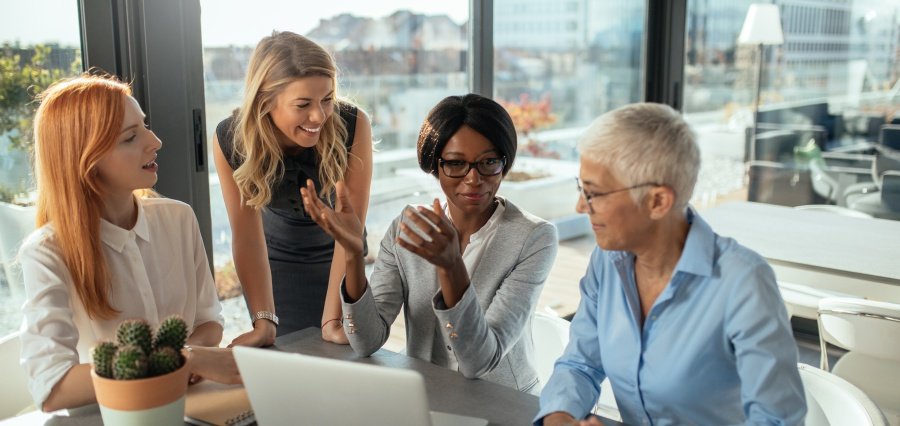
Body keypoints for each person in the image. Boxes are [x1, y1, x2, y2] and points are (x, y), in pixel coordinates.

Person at [535, 103, 806, 425]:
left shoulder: (743, 282)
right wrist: (559, 417)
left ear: (658, 201)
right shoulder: (608, 261)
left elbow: (776, 420)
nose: (580, 206)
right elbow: (581, 363)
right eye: (581, 188)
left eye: (593, 193)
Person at [301, 94, 558, 394]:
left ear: (504, 163)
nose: (474, 178)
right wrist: (354, 253)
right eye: (456, 164)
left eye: (489, 162)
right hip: (428, 398)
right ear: (435, 166)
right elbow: (366, 341)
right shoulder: (406, 228)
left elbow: (480, 361)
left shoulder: (534, 237)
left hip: (505, 403)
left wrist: (451, 266)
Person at [19, 74, 240, 413]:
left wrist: (180, 365)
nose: (155, 141)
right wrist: (185, 360)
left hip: (189, 408)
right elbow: (53, 388)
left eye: (146, 127)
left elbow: (209, 322)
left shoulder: (178, 219)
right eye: (131, 137)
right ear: (87, 160)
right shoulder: (46, 252)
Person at [213, 31, 373, 345]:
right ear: (265, 101)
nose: (319, 116)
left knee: (346, 361)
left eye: (327, 99)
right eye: (303, 104)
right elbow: (245, 237)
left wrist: (334, 318)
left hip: (344, 264)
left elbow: (351, 228)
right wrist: (263, 321)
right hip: (276, 270)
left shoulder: (354, 124)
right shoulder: (230, 139)